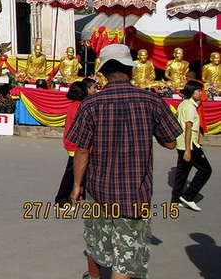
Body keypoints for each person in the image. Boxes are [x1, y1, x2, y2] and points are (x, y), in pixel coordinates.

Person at [66, 44, 182, 279]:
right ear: (130, 70)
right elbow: (171, 143)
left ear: (104, 72)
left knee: (96, 240)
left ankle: (94, 276)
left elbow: (81, 151)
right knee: (126, 258)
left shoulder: (91, 104)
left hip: (98, 188)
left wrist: (77, 185)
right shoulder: (151, 100)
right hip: (135, 192)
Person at [171, 80, 213, 212]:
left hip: (182, 143)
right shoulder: (189, 107)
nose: (201, 93)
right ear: (191, 92)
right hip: (189, 145)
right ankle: (188, 196)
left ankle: (176, 199)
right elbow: (188, 128)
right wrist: (188, 150)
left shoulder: (184, 104)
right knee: (205, 170)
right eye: (198, 91)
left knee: (183, 171)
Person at [54, 78, 96, 207]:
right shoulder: (79, 106)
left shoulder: (77, 105)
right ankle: (61, 199)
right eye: (94, 88)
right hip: (75, 144)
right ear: (86, 90)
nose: (96, 90)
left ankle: (79, 194)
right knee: (72, 171)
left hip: (76, 143)